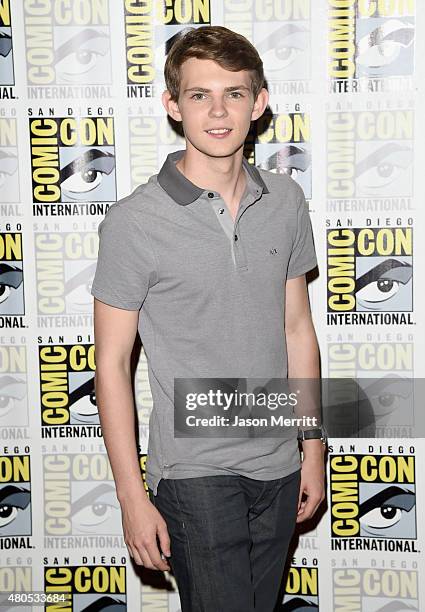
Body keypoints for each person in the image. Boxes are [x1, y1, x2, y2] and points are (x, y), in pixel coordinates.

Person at [91, 25, 325, 612]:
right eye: (199, 95)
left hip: (279, 464)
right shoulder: (134, 221)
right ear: (173, 105)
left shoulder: (287, 203)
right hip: (195, 472)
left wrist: (314, 449)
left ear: (259, 102)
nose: (218, 111)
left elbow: (298, 330)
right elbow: (112, 365)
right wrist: (131, 497)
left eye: (235, 93)